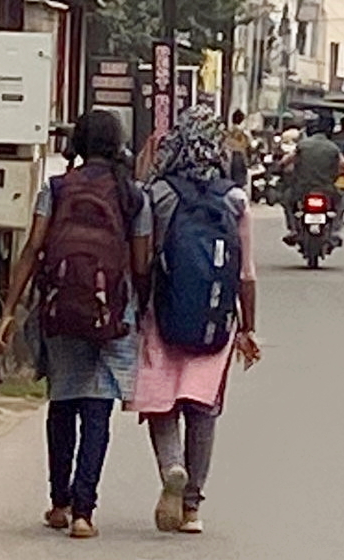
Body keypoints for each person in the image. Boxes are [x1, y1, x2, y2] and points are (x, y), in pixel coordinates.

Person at [0, 109, 151, 539]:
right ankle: (84, 513)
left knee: (62, 403)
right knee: (96, 410)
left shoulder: (57, 188)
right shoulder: (132, 194)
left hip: (60, 309)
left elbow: (32, 249)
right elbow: (140, 263)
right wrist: (141, 311)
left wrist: (9, 309)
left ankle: (58, 503)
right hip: (111, 313)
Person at [129, 105, 260, 535]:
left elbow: (144, 260)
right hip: (215, 317)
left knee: (162, 402)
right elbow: (246, 273)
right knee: (203, 408)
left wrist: (140, 305)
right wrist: (248, 327)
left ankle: (171, 466)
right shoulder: (235, 199)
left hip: (162, 312)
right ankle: (192, 508)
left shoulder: (159, 194)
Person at [278, 112, 344, 246]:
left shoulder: (302, 146)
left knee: (287, 199)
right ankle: (335, 230)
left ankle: (293, 228)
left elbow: (285, 161)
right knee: (341, 200)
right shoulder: (333, 148)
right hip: (327, 189)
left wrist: (280, 168)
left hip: (302, 189)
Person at [223, 110, 251, 188]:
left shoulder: (229, 131)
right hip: (239, 156)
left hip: (230, 156)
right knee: (239, 181)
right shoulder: (242, 133)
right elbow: (247, 145)